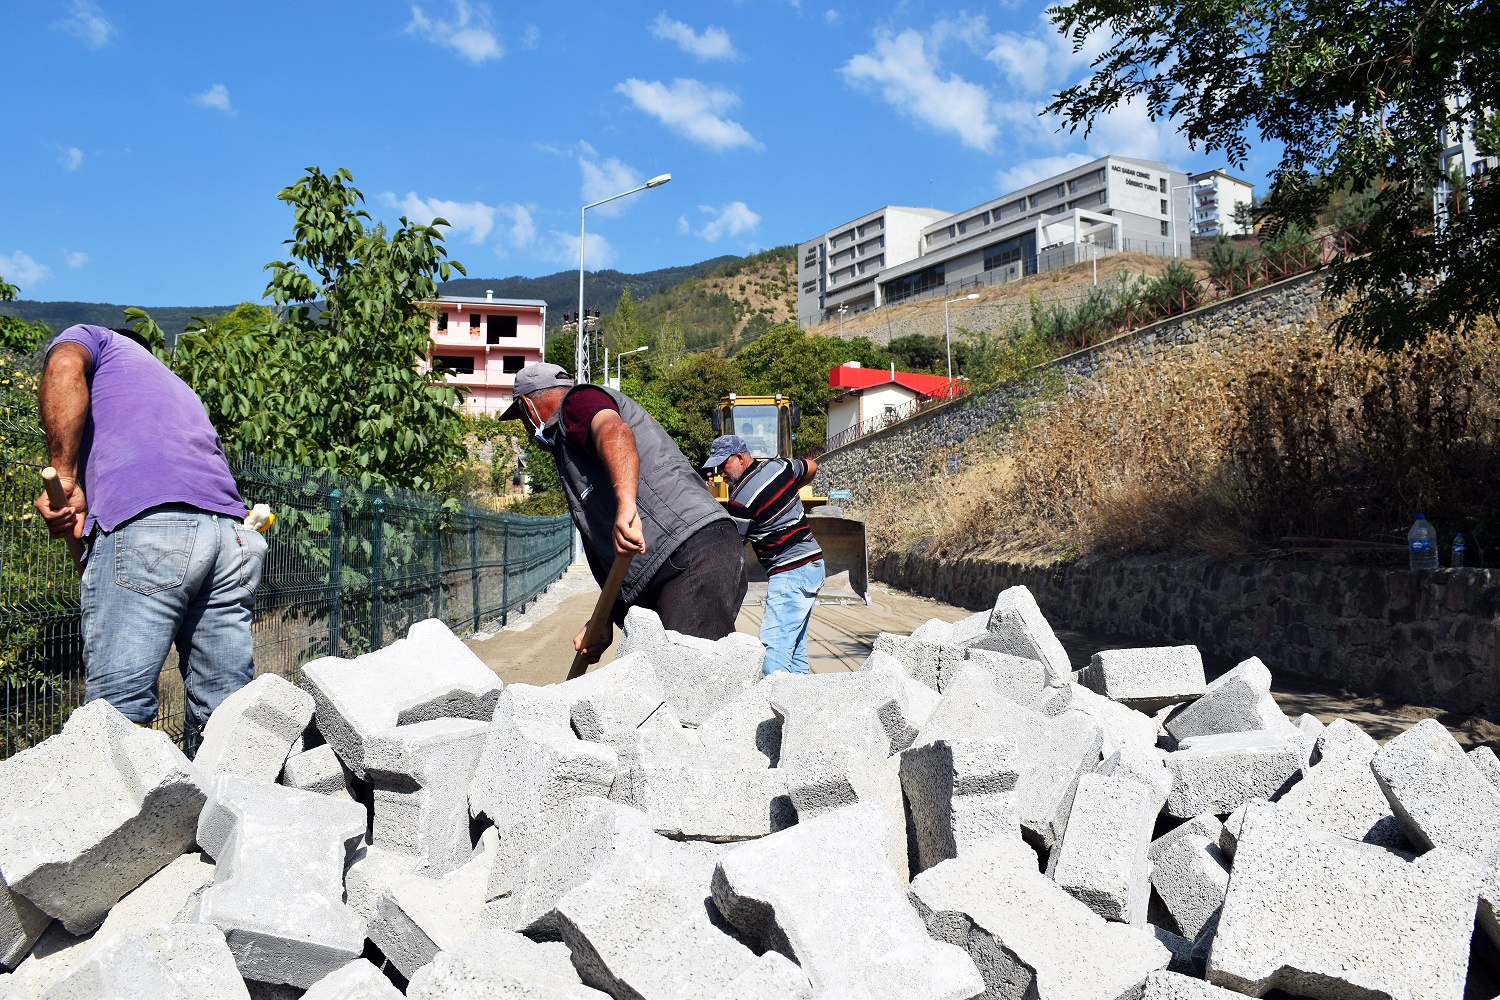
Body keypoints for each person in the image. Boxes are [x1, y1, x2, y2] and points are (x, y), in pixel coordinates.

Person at [34, 325, 267, 731]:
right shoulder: (177, 388)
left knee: (116, 714)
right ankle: (246, 793)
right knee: (229, 718)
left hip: (157, 528)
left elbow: (64, 364)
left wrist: (65, 477)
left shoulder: (96, 339)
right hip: (235, 538)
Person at [501, 363, 746, 663]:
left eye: (521, 420)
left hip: (687, 550)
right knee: (656, 682)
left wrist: (626, 503)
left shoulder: (577, 403)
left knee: (690, 682)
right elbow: (611, 548)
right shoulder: (571, 447)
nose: (527, 431)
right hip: (679, 558)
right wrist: (604, 617)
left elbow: (614, 430)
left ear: (527, 407)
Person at [702, 434, 823, 676]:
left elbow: (735, 547)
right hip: (814, 564)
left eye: (722, 464)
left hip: (789, 572)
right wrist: (790, 489)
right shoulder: (779, 466)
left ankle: (773, 711)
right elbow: (812, 466)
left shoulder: (741, 501)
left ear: (740, 457)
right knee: (795, 653)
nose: (720, 473)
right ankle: (801, 709)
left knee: (773, 654)